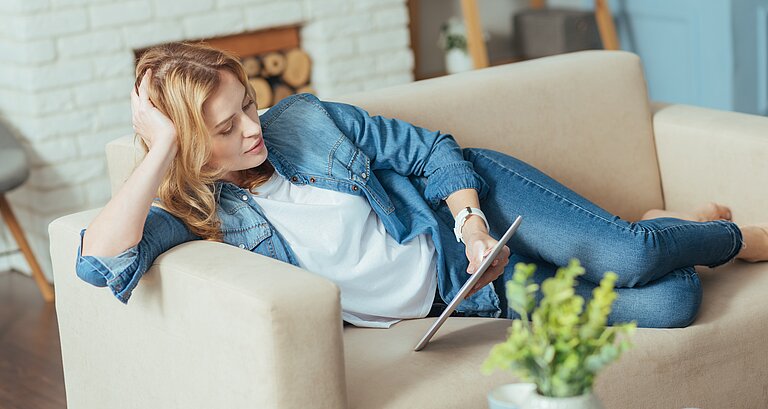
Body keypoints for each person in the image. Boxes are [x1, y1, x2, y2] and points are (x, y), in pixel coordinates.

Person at [76, 42, 768, 329]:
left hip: (479, 207)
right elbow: (99, 262)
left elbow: (433, 149)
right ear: (189, 145)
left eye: (248, 105)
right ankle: (650, 223)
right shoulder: (193, 213)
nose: (252, 130)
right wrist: (163, 144)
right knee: (672, 304)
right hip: (467, 293)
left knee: (633, 257)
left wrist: (471, 225)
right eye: (223, 131)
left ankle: (733, 235)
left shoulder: (305, 122)